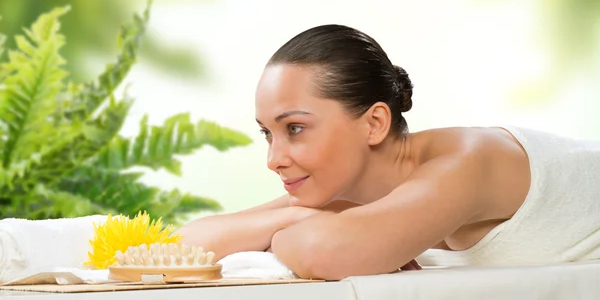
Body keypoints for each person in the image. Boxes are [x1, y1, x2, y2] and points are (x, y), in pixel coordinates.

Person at [176, 24, 600, 280]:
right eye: (268, 134)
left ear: (375, 123)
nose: (274, 159)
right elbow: (181, 245)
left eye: (296, 128)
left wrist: (301, 222)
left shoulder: (468, 162)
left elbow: (322, 253)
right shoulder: (344, 190)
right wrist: (295, 214)